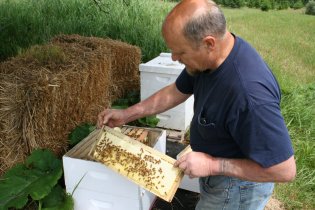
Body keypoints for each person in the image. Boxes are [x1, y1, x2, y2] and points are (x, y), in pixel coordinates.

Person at [97, 0, 296, 209]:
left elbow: (284, 170)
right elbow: (176, 91)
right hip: (218, 174)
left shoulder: (250, 96)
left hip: (237, 187)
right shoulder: (210, 58)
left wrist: (212, 165)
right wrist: (127, 114)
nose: (174, 58)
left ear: (209, 43)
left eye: (180, 53)